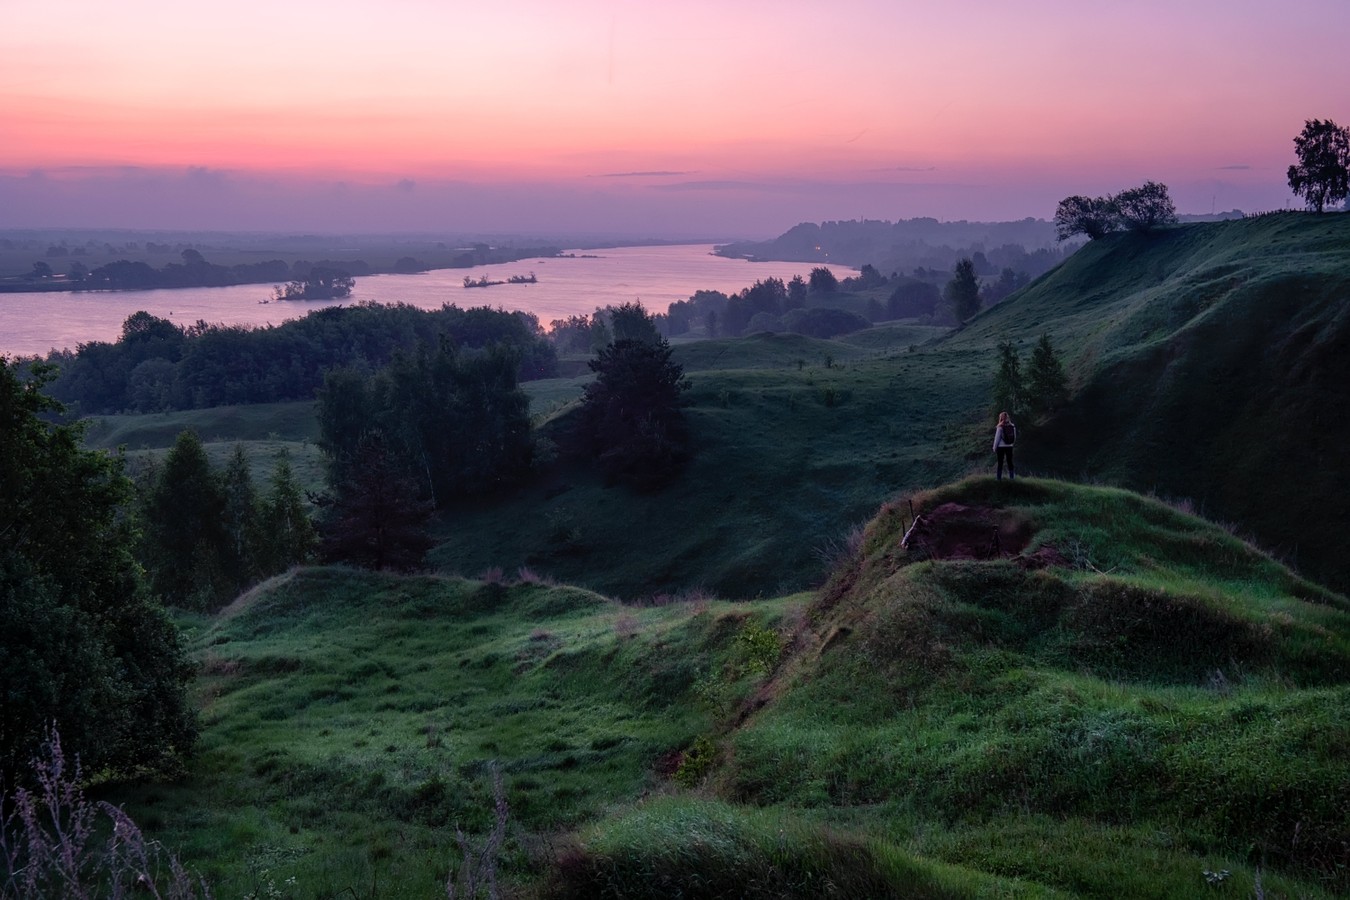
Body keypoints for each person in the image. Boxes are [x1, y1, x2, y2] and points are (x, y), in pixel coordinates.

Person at [993, 411, 1016, 480]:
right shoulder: (1012, 426)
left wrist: (994, 447)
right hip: (1009, 446)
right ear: (1008, 418)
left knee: (1000, 462)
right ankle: (1012, 478)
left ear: (1001, 418)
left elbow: (997, 438)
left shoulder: (1000, 427)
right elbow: (1014, 437)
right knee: (1010, 462)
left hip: (1001, 447)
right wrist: (1011, 444)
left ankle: (998, 478)